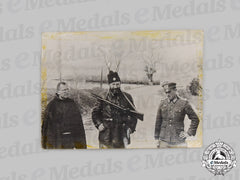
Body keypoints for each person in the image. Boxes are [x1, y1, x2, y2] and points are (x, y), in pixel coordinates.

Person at [92, 71, 138, 149]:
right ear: (109, 85)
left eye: (117, 84)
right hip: (106, 133)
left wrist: (131, 127)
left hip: (121, 133)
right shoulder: (102, 96)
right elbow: (95, 113)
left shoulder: (127, 97)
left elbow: (134, 114)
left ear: (120, 84)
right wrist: (99, 124)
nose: (115, 86)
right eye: (113, 84)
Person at [41, 82, 87, 149]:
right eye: (64, 90)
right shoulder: (52, 105)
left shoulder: (72, 104)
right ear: (58, 92)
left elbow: (78, 124)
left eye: (67, 89)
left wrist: (81, 145)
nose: (66, 92)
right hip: (56, 141)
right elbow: (45, 127)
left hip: (69, 141)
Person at [154, 82, 199, 148]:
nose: (167, 94)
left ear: (175, 90)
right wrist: (156, 138)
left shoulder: (184, 103)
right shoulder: (163, 103)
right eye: (166, 92)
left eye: (169, 92)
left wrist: (189, 132)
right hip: (163, 140)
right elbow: (158, 121)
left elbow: (195, 119)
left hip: (178, 140)